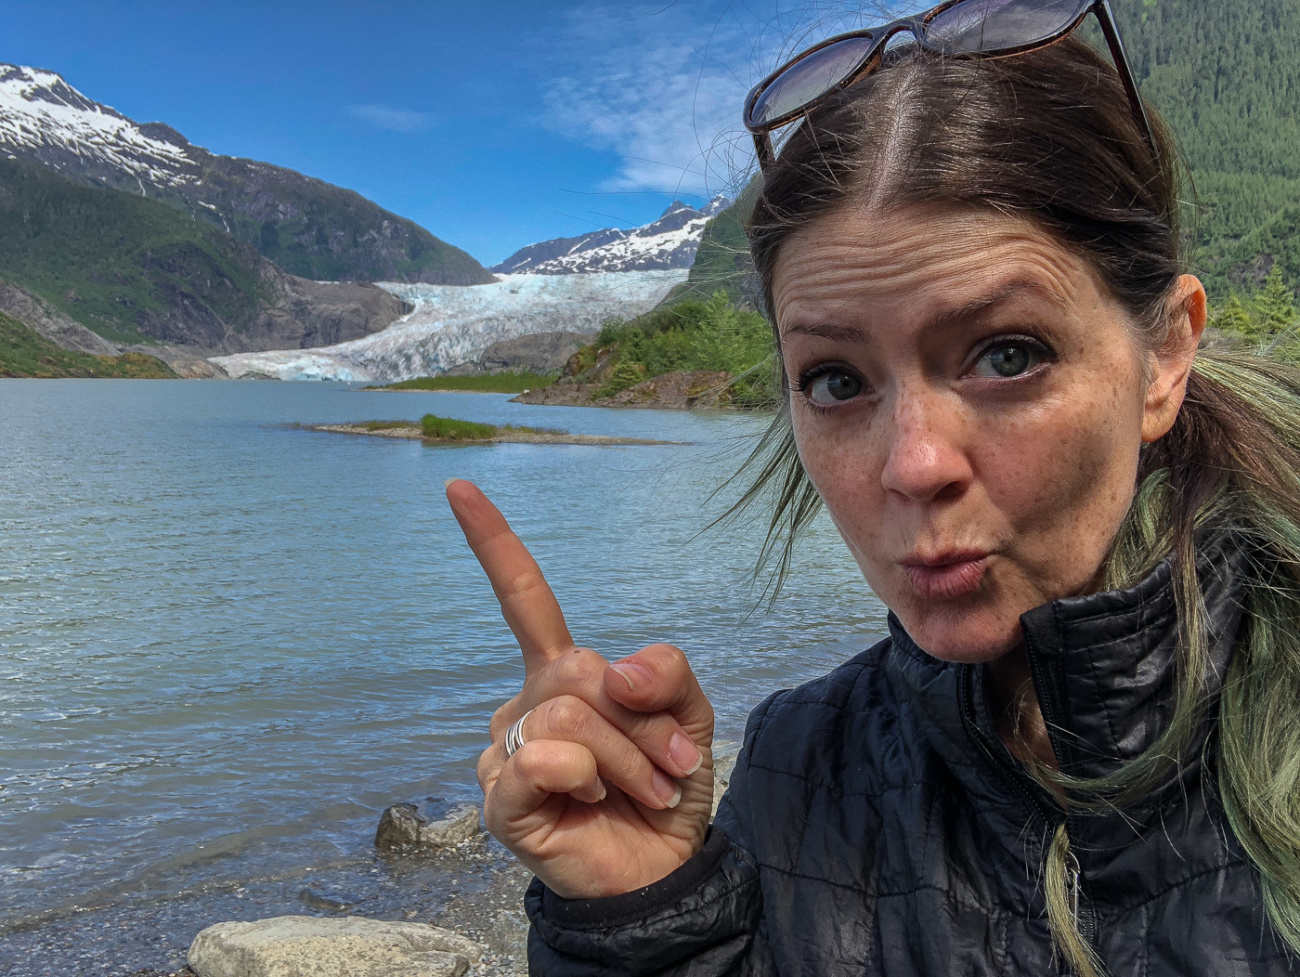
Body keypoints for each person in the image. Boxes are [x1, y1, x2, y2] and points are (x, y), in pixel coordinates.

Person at [446, 0, 1300, 972]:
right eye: (836, 381)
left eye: (1005, 353)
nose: (912, 463)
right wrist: (648, 917)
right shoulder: (795, 770)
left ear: (1162, 356)